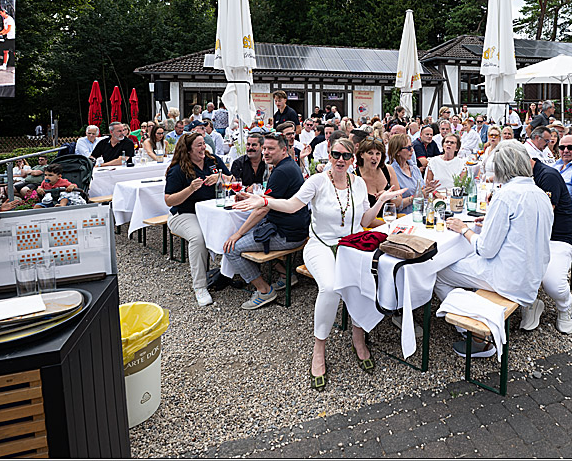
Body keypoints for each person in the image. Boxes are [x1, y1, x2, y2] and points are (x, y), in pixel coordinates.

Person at [235, 137, 403, 389]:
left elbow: (365, 219)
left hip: (351, 245)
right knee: (330, 287)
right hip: (320, 245)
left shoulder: (358, 184)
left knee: (362, 283)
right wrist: (265, 201)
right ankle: (319, 348)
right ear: (329, 154)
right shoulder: (317, 182)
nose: (340, 159)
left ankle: (359, 337)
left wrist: (381, 201)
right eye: (336, 154)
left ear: (352, 159)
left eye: (346, 156)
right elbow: (292, 206)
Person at [439, 141, 552, 357]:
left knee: (440, 272)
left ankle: (474, 334)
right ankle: (475, 312)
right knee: (465, 261)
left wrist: (464, 230)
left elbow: (486, 250)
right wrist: (489, 222)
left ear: (502, 168)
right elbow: (523, 230)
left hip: (509, 279)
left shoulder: (506, 195)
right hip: (532, 274)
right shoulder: (539, 193)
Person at [223, 133, 310, 310]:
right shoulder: (287, 165)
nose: (265, 153)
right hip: (295, 228)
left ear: (284, 150)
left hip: (288, 234)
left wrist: (238, 234)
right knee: (245, 233)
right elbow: (270, 199)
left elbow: (263, 208)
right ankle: (286, 275)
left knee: (231, 248)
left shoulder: (282, 171)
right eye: (264, 148)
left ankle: (264, 290)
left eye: (270, 149)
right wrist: (254, 198)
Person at [164, 132, 228, 306]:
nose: (203, 147)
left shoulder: (213, 161)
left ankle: (228, 273)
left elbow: (233, 179)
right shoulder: (178, 170)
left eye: (204, 144)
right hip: (184, 214)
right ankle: (200, 286)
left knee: (234, 229)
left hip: (213, 213)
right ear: (189, 149)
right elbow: (169, 199)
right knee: (198, 238)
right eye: (199, 145)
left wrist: (221, 177)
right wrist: (190, 189)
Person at [526, 156, 572, 332]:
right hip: (530, 236)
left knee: (553, 283)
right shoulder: (522, 177)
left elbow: (544, 215)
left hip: (557, 238)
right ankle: (530, 303)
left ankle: (566, 307)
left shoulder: (547, 176)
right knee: (508, 268)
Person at [355, 136, 405, 219]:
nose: (374, 158)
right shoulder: (355, 177)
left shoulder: (388, 170)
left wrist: (390, 196)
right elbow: (361, 218)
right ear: (361, 155)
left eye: (378, 153)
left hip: (390, 219)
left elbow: (399, 202)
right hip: (369, 226)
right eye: (370, 153)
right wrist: (387, 225)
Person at [388, 134, 430, 215]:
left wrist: (429, 188)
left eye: (412, 146)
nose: (412, 150)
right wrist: (415, 197)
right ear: (397, 152)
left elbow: (423, 192)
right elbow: (396, 205)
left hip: (420, 213)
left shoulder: (414, 168)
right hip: (403, 217)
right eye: (408, 148)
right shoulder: (392, 172)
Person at [0, 5, 15, 70]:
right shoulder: (5, 20)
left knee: (14, 52)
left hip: (13, 38)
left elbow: (9, 29)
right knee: (5, 51)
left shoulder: (9, 19)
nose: (0, 14)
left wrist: (2, 34)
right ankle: (4, 65)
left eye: (1, 13)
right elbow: (4, 29)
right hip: (8, 38)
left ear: (4, 12)